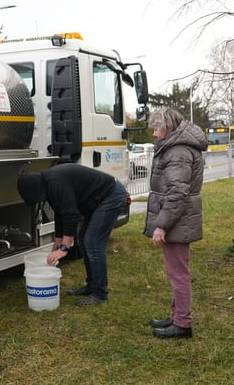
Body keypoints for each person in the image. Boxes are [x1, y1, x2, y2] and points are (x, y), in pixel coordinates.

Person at [17, 164, 128, 306]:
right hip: (98, 199)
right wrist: (58, 240)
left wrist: (64, 248)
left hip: (111, 196)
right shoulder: (47, 183)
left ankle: (100, 294)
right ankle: (92, 286)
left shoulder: (55, 183)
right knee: (83, 239)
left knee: (93, 243)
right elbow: (60, 211)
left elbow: (71, 215)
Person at [143, 107, 207, 339]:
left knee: (178, 273)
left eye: (157, 129)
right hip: (180, 220)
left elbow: (177, 193)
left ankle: (182, 323)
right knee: (175, 270)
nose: (155, 134)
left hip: (177, 221)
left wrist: (162, 225)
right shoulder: (177, 146)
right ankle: (177, 315)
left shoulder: (178, 151)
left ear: (168, 127)